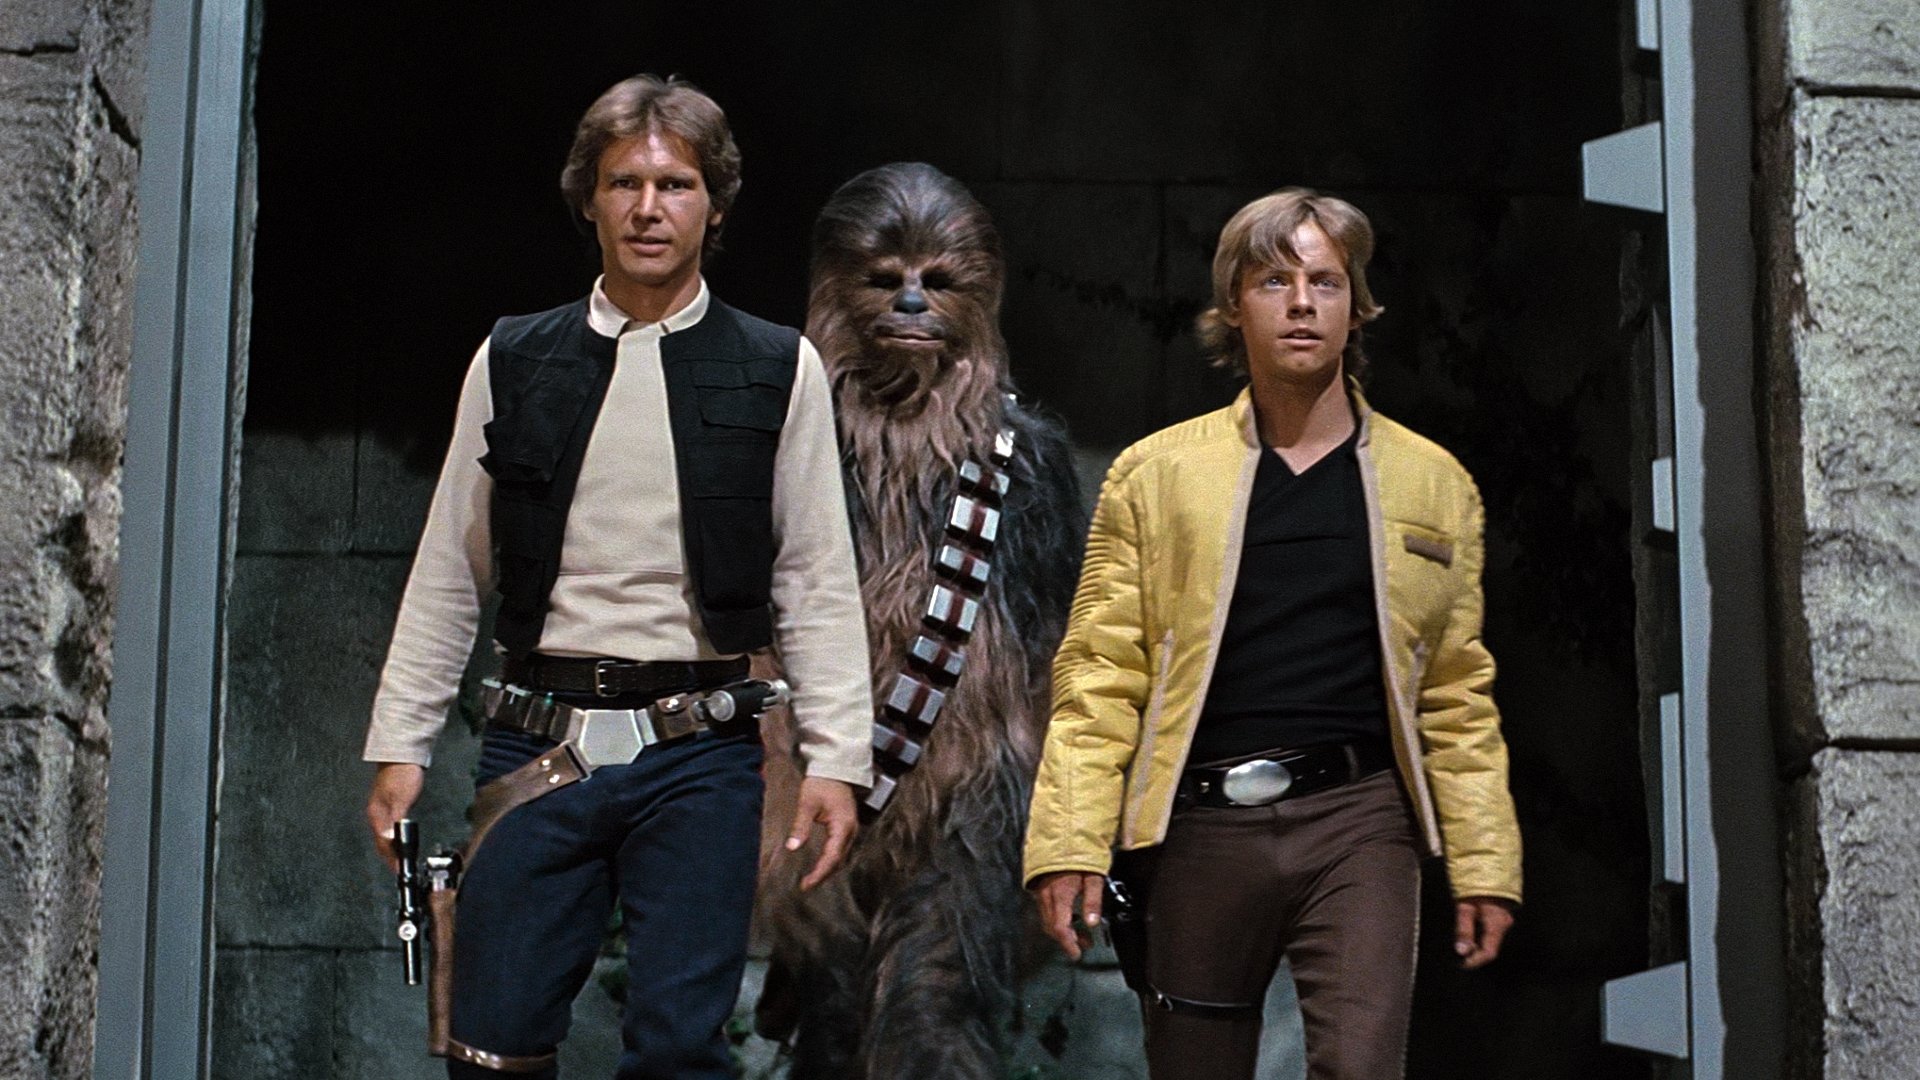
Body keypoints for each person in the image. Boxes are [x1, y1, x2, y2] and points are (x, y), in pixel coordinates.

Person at [359, 74, 871, 1079]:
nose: (648, 207)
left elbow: (816, 575)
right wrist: (400, 744)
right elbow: (450, 567)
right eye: (624, 182)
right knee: (490, 1045)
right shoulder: (515, 357)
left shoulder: (778, 366)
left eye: (675, 184)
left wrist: (837, 758)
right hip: (540, 739)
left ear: (713, 206)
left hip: (701, 748)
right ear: (588, 199)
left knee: (679, 1050)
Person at [1023, 188, 1523, 1080]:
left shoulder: (1432, 483)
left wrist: (1486, 862)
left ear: (1357, 306)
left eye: (1325, 282)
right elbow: (1100, 673)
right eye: (1273, 282)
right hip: (1201, 822)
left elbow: (1455, 689)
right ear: (1232, 306)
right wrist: (1069, 844)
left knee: (1363, 1065)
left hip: (1359, 817)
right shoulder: (1158, 475)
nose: (1301, 304)